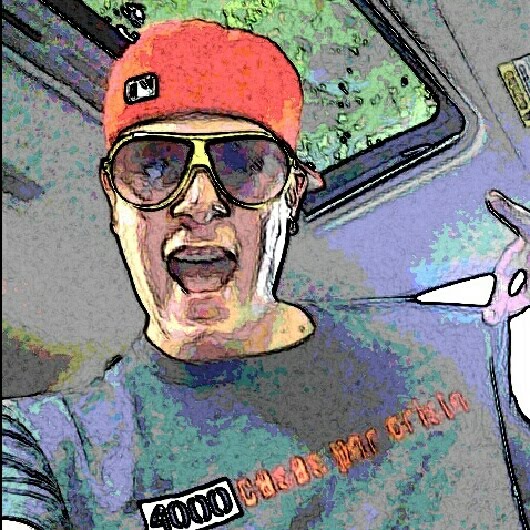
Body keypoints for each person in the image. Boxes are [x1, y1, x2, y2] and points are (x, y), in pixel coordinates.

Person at [2, 19, 528, 530]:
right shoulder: (48, 447)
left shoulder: (456, 336)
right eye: (154, 167)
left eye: (243, 165)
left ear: (292, 196)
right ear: (114, 200)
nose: (199, 201)